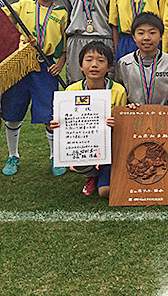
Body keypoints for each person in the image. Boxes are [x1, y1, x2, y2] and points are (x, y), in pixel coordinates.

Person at [0, 0, 68, 176]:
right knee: (12, 114)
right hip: (18, 69)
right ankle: (13, 155)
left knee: (50, 115)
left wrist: (60, 63)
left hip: (45, 69)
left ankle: (55, 157)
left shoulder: (61, 13)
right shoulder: (23, 6)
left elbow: (64, 47)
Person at [49, 41, 127, 197]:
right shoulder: (72, 90)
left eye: (101, 60)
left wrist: (116, 123)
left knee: (105, 192)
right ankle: (91, 175)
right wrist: (58, 126)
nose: (94, 65)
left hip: (112, 147)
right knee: (77, 162)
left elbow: (124, 123)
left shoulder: (118, 90)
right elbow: (65, 120)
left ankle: (106, 173)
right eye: (89, 60)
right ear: (80, 65)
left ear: (109, 67)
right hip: (85, 144)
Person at [115, 12, 168, 107]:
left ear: (160, 36)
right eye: (141, 33)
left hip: (163, 117)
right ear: (134, 37)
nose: (146, 38)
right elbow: (119, 93)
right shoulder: (124, 63)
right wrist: (125, 107)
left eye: (152, 33)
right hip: (133, 116)